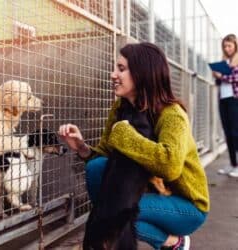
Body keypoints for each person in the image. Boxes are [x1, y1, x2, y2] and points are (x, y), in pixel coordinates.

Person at [59, 42, 209, 250]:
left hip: (186, 206)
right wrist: (82, 147)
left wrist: (126, 136)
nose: (113, 75)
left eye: (121, 69)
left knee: (122, 211)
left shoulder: (172, 115)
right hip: (151, 194)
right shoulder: (120, 109)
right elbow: (105, 157)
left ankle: (174, 243)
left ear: (142, 73)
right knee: (97, 168)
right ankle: (107, 238)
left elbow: (170, 166)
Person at [212, 34, 238, 178]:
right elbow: (219, 82)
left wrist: (221, 76)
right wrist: (216, 75)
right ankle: (232, 164)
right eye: (225, 46)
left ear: (235, 46)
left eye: (230, 45)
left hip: (235, 99)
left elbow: (235, 78)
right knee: (227, 132)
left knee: (236, 132)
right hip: (223, 99)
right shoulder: (224, 62)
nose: (227, 48)